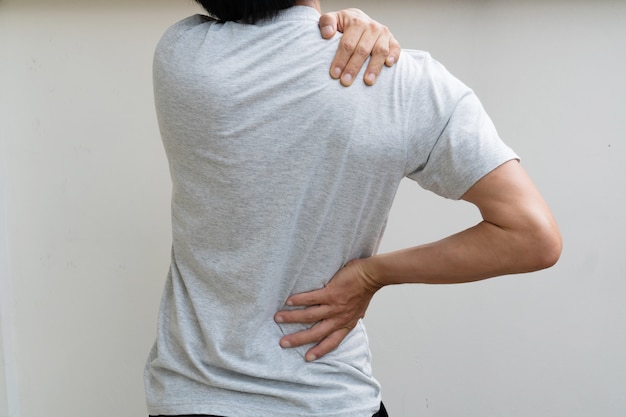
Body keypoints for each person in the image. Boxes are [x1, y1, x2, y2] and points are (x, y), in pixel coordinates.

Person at [144, 1, 562, 417]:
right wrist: (370, 275)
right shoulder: (403, 81)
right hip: (327, 397)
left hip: (191, 397)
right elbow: (532, 237)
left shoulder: (181, 55)